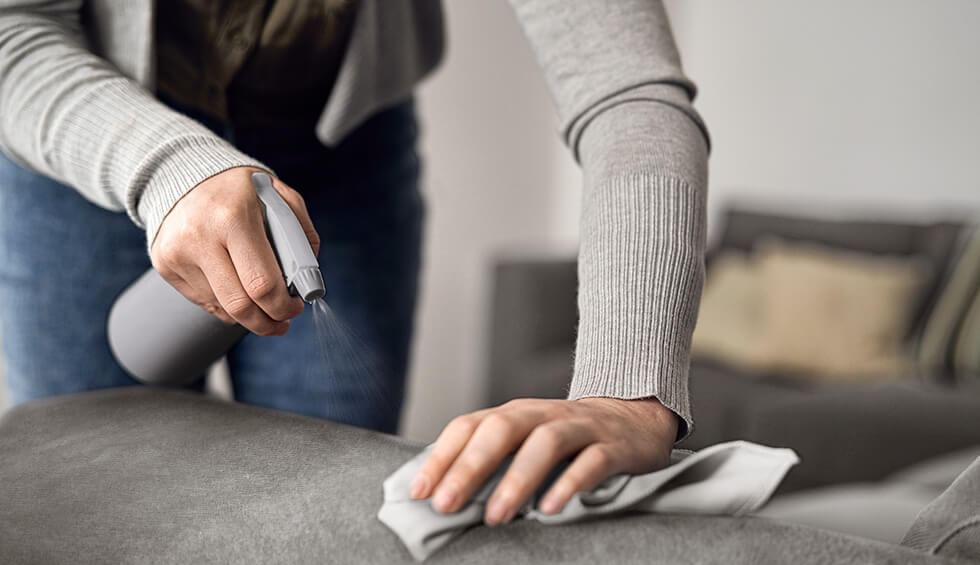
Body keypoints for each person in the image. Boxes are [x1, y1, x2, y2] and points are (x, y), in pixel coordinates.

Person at [0, 0, 708, 526]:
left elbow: (627, 87)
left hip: (338, 144)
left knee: (324, 520)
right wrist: (168, 167)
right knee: (92, 512)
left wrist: (625, 389)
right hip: (85, 129)